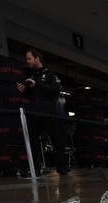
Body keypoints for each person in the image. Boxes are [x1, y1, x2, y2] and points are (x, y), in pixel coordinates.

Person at [17, 47, 68, 175]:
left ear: (37, 59)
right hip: (34, 114)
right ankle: (36, 169)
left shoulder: (50, 74)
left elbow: (56, 91)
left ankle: (62, 168)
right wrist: (23, 90)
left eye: (29, 58)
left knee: (57, 141)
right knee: (33, 142)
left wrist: (37, 84)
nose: (27, 61)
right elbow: (30, 97)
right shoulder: (31, 76)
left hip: (49, 113)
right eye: (26, 59)